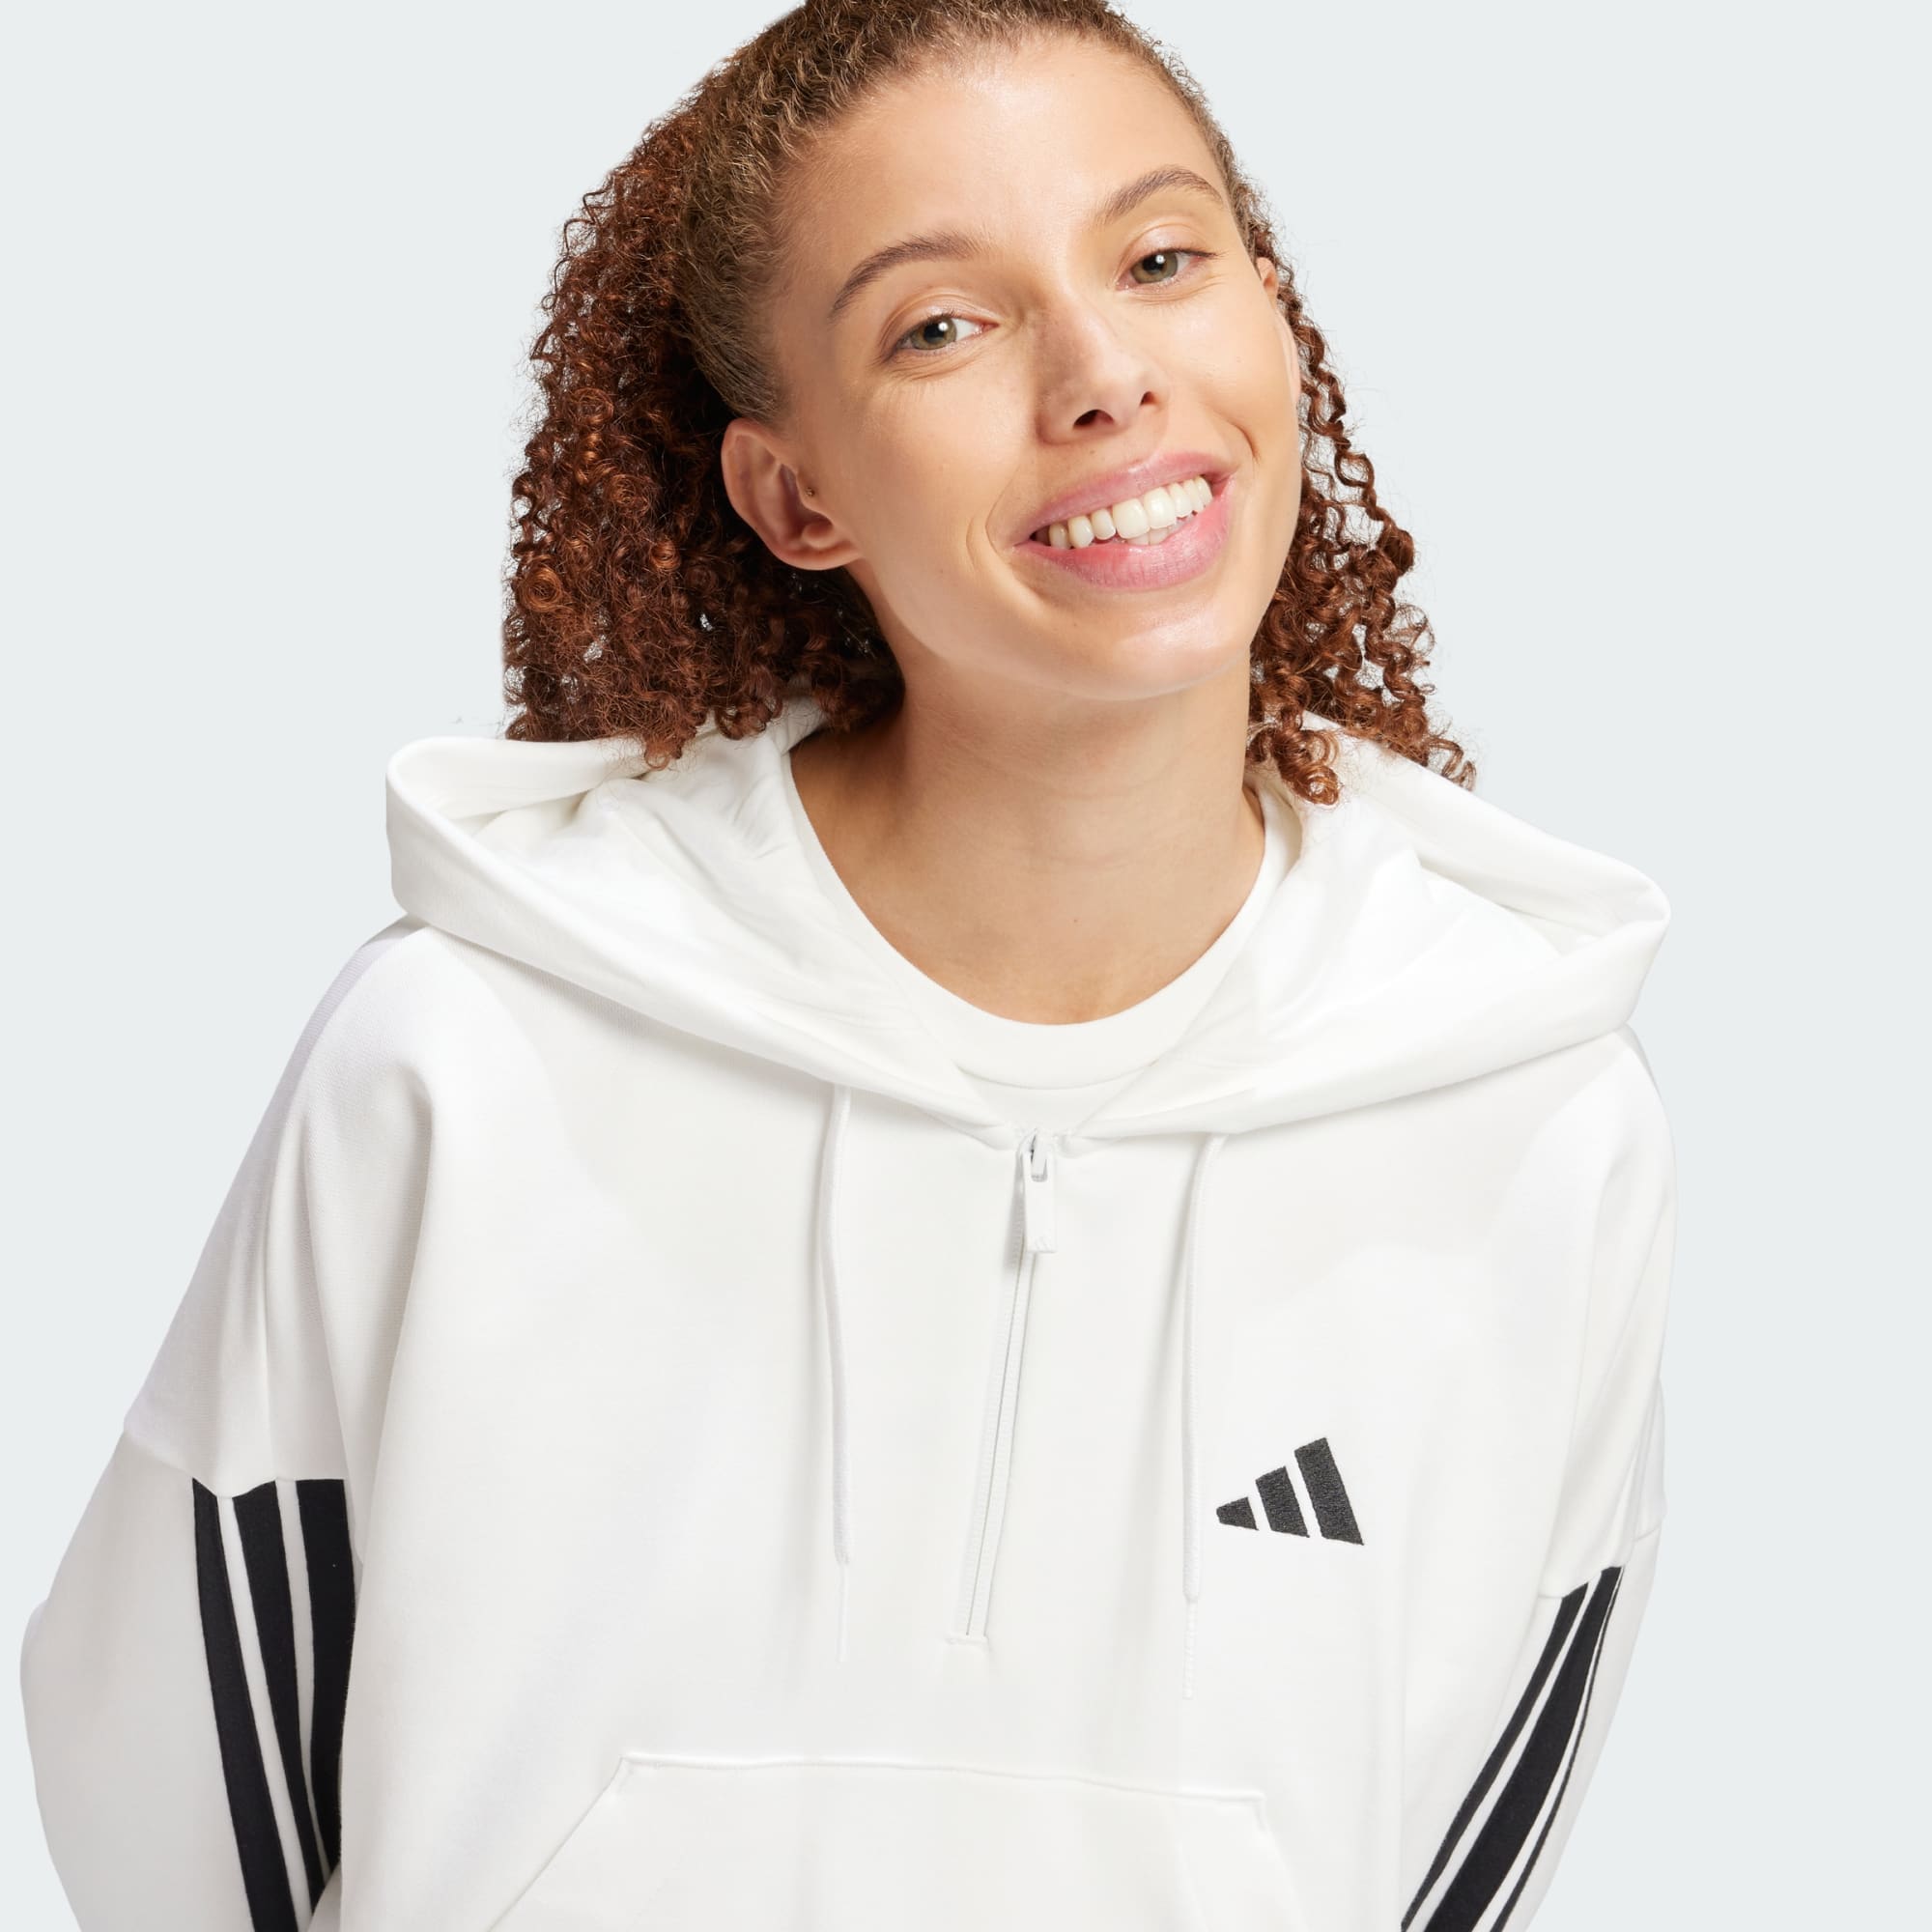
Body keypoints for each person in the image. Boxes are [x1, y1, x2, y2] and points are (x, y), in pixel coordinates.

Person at [18, 3, 1678, 1927]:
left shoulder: (1532, 1122)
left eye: (1160, 259)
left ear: (1274, 327)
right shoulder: (464, 1058)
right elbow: (165, 1788)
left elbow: (1457, 1844)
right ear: (795, 495)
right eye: (942, 326)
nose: (1103, 377)